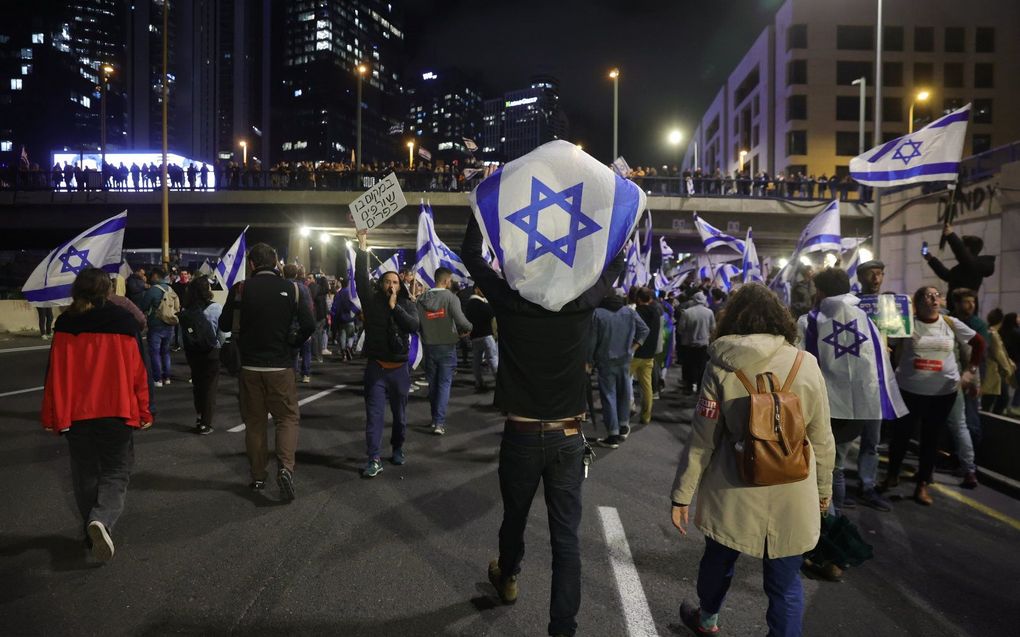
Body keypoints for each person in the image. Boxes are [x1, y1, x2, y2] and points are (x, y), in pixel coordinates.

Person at [462, 214, 625, 637]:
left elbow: (472, 258)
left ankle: (509, 575)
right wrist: (624, 214)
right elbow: (614, 264)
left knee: (514, 518)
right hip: (567, 435)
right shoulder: (582, 303)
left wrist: (477, 210)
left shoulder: (510, 302)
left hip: (520, 435)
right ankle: (563, 628)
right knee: (566, 538)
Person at [670, 283, 834, 637]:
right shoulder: (806, 364)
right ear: (782, 319)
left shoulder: (721, 367)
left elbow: (703, 439)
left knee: (718, 561)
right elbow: (821, 437)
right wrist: (824, 490)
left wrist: (682, 495)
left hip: (734, 485)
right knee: (786, 585)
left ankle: (708, 619)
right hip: (794, 487)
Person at [41, 268, 152, 562]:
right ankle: (101, 520)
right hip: (116, 410)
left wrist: (52, 414)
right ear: (107, 291)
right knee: (117, 470)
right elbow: (138, 372)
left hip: (76, 414)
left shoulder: (65, 324)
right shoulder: (123, 322)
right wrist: (144, 409)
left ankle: (91, 526)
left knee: (84, 473)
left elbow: (54, 373)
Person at [796, 268, 903, 517]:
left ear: (820, 291)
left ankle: (829, 522)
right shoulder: (866, 320)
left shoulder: (809, 322)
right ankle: (836, 516)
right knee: (841, 461)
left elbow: (799, 363)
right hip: (862, 404)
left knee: (828, 465)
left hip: (825, 407)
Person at [219, 243, 316, 499]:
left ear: (251, 264)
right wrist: (292, 342)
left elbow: (224, 323)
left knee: (255, 423)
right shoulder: (292, 289)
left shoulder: (240, 289)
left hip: (249, 366)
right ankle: (285, 468)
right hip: (280, 365)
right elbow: (309, 324)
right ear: (276, 263)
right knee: (287, 418)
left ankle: (258, 476)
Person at [883, 286, 984, 504]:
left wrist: (971, 372)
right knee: (901, 435)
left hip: (943, 394)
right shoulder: (907, 323)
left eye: (936, 295)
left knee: (931, 439)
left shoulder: (950, 323)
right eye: (927, 296)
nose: (934, 298)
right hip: (909, 391)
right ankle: (892, 475)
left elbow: (979, 343)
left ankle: (922, 485)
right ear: (917, 303)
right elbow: (885, 343)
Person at [355, 230, 420, 478]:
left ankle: (398, 447)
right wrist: (363, 247)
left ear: (399, 285)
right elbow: (361, 278)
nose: (391, 285)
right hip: (376, 370)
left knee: (400, 418)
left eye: (395, 282)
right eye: (387, 282)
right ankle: (373, 458)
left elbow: (413, 327)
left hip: (399, 372)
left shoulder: (406, 304)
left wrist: (395, 308)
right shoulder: (371, 303)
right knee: (374, 417)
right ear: (381, 285)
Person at [416, 267, 472, 435]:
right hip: (447, 346)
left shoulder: (421, 299)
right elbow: (461, 321)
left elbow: (417, 323)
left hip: (428, 346)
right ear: (447, 281)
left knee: (433, 384)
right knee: (444, 384)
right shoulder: (451, 298)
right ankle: (439, 422)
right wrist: (469, 327)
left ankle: (435, 419)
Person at [588, 291, 649, 448]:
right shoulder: (629, 311)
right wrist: (633, 348)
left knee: (609, 396)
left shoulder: (598, 313)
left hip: (605, 360)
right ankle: (623, 426)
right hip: (625, 359)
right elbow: (644, 330)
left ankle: (613, 434)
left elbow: (593, 339)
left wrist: (589, 360)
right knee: (624, 393)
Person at [182, 275, 223, 435]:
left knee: (198, 386)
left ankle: (199, 416)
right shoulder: (215, 308)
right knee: (210, 387)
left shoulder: (188, 310)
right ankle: (206, 423)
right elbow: (222, 333)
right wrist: (217, 346)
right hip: (211, 352)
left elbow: (183, 335)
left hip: (193, 353)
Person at [923, 224, 995, 313]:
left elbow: (964, 257)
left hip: (966, 312)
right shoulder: (963, 267)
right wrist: (931, 259)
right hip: (954, 310)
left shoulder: (979, 265)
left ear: (967, 249)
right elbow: (947, 276)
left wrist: (951, 235)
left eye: (962, 246)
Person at [139, 267, 178, 387]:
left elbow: (143, 305)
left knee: (155, 352)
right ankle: (167, 377)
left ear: (156, 276)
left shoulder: (153, 290)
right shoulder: (171, 289)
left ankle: (158, 379)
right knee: (165, 352)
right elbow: (177, 306)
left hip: (156, 325)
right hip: (169, 324)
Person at [676, 290, 715, 395]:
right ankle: (699, 387)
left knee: (689, 365)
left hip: (689, 344)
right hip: (703, 344)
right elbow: (713, 328)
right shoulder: (709, 312)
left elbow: (680, 329)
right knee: (701, 366)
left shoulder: (687, 312)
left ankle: (689, 386)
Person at [631, 287, 661, 424]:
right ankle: (646, 416)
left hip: (634, 352)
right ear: (650, 299)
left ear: (638, 299)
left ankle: (626, 411)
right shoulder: (656, 312)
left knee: (625, 383)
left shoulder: (636, 313)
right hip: (649, 354)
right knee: (647, 386)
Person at [464, 284, 498, 391]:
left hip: (475, 336)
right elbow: (491, 313)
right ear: (476, 289)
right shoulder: (481, 304)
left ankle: (479, 382)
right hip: (486, 335)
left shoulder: (468, 305)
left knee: (476, 361)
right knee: (493, 358)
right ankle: (499, 381)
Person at [283, 264, 314, 383]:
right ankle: (306, 374)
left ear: (284, 274)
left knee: (292, 354)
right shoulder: (304, 288)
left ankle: (292, 376)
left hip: (287, 326)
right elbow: (310, 307)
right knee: (306, 351)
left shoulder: (281, 286)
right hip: (302, 325)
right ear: (296, 274)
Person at [981, 308, 1015, 415]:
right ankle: (992, 424)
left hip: (991, 370)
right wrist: (1009, 370)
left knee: (992, 399)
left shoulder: (987, 330)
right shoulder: (994, 334)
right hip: (995, 371)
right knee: (1000, 399)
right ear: (1001, 321)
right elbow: (999, 353)